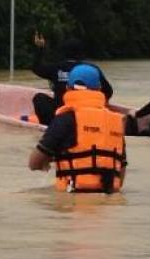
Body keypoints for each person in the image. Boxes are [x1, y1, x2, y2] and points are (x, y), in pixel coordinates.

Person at [27, 63, 127, 193]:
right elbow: (121, 174)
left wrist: (50, 159)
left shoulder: (64, 119)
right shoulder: (117, 122)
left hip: (72, 198)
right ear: (100, 88)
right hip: (109, 202)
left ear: (68, 88)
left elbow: (34, 163)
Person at [29, 34, 114, 123]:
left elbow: (36, 68)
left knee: (39, 98)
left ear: (63, 52)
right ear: (81, 52)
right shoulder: (92, 69)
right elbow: (108, 92)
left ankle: (50, 126)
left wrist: (40, 49)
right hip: (87, 114)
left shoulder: (56, 68)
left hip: (60, 114)